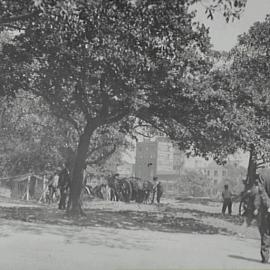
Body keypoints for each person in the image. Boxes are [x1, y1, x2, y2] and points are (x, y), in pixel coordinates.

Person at [252, 173, 270, 263]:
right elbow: (261, 192)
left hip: (266, 209)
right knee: (266, 232)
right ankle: (265, 257)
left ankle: (265, 257)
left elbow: (261, 192)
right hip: (267, 209)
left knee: (266, 233)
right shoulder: (265, 175)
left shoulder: (264, 175)